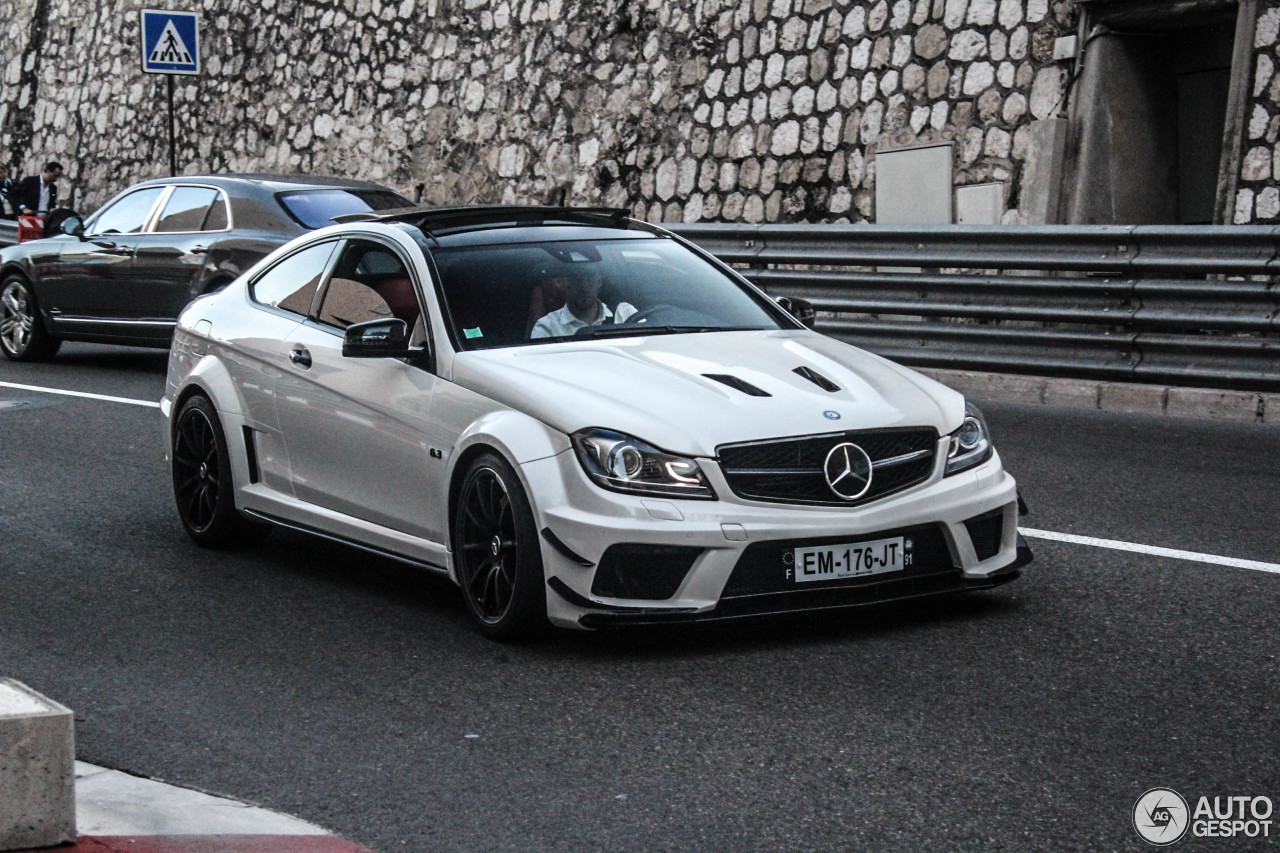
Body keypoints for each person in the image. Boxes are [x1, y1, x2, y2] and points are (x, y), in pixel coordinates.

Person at [529, 264, 636, 338]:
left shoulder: (624, 314)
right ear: (563, 284)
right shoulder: (547, 328)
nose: (584, 286)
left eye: (589, 278)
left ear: (599, 281)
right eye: (576, 279)